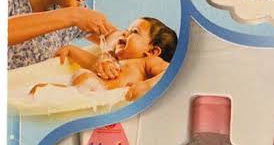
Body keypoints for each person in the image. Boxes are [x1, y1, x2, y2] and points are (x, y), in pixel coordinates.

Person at [31, 18, 178, 102]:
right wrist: (71, 50)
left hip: (95, 98)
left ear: (152, 51)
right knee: (37, 89)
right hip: (79, 92)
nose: (124, 33)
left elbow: (171, 72)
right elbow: (92, 63)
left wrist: (147, 85)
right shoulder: (111, 60)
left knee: (40, 94)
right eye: (127, 30)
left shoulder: (149, 62)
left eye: (134, 32)